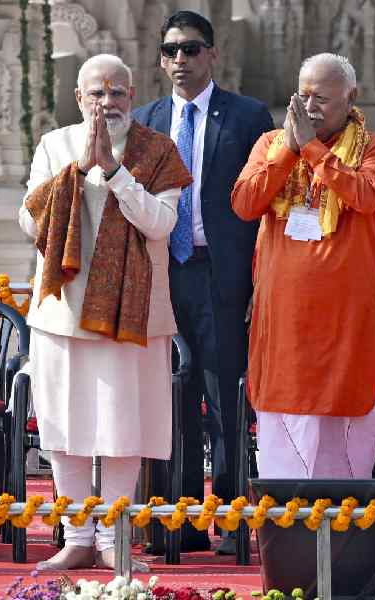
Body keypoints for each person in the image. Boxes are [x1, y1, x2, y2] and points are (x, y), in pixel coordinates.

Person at [18, 53, 192, 572]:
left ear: (132, 96)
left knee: (124, 427)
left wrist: (115, 172)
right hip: (64, 310)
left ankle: (116, 542)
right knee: (65, 428)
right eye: (97, 93)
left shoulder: (158, 151)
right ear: (79, 99)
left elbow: (160, 224)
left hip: (133, 314)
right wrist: (77, 170)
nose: (107, 102)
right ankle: (75, 537)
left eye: (117, 92)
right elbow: (30, 225)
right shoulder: (54, 146)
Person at [133, 10, 275, 555]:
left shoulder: (244, 116)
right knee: (172, 398)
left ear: (212, 54)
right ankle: (181, 520)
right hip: (163, 275)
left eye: (190, 50)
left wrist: (260, 280)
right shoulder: (146, 120)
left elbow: (266, 205)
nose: (179, 61)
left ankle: (233, 519)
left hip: (221, 273)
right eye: (170, 51)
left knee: (225, 399)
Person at [231, 53, 375, 480]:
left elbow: (364, 195)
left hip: (345, 321)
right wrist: (289, 150)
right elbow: (245, 204)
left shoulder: (374, 148)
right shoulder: (270, 145)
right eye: (303, 96)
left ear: (351, 98)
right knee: (284, 427)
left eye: (321, 98)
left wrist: (314, 150)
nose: (310, 107)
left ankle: (342, 543)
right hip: (284, 324)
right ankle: (288, 542)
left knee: (344, 433)